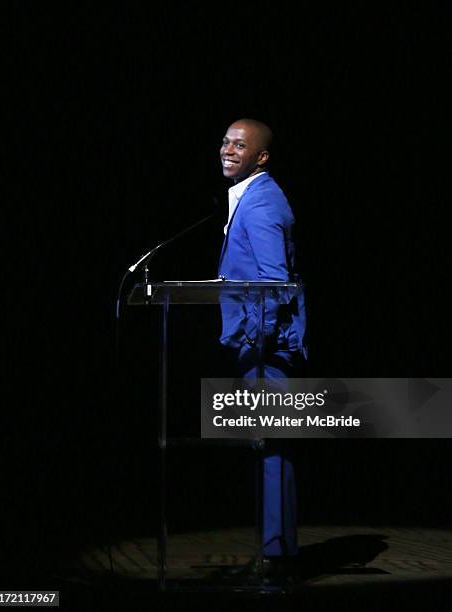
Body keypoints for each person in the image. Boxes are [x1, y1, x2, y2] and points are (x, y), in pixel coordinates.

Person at [217, 118, 307, 564]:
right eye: (226, 141)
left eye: (240, 145)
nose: (228, 150)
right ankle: (277, 554)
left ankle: (274, 559)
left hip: (264, 349)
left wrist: (258, 342)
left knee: (271, 447)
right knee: (269, 445)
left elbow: (276, 282)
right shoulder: (252, 197)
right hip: (258, 344)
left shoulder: (260, 203)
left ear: (261, 156)